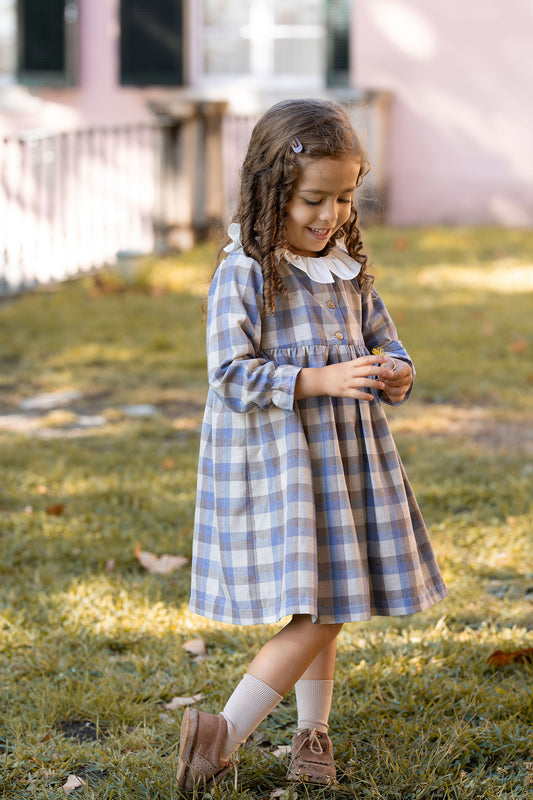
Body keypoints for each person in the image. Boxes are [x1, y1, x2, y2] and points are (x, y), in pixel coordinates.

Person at [177, 98, 447, 790]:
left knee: (328, 602)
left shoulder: (345, 267)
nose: (331, 215)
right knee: (324, 609)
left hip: (346, 460)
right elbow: (227, 374)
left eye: (345, 198)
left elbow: (384, 339)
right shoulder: (246, 269)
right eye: (313, 200)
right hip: (284, 464)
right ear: (272, 192)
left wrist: (397, 369)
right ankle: (222, 733)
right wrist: (317, 379)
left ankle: (310, 732)